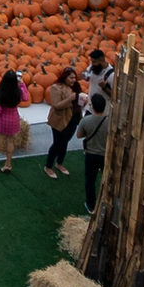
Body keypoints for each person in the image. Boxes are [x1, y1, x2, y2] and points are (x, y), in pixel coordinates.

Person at [43, 67, 83, 180]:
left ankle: (59, 163)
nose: (73, 80)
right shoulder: (56, 88)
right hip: (60, 119)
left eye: (74, 77)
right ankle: (48, 166)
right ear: (65, 77)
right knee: (57, 143)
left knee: (65, 142)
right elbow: (56, 105)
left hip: (73, 119)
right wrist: (69, 99)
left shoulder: (76, 87)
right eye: (71, 78)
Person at [79, 76, 111, 211]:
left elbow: (79, 135)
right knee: (107, 179)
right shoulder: (110, 121)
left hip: (91, 154)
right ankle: (107, 202)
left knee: (90, 180)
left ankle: (91, 205)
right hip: (105, 154)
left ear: (92, 105)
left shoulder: (86, 121)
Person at [0, 70, 29, 175]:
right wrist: (22, 84)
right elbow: (26, 98)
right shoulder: (18, 92)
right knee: (10, 142)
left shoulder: (1, 93)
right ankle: (8, 165)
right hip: (13, 120)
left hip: (1, 121)